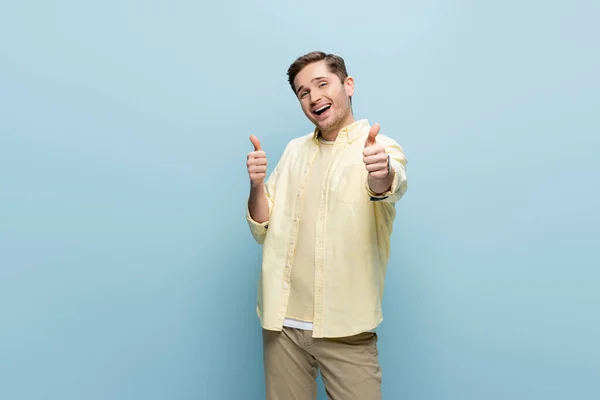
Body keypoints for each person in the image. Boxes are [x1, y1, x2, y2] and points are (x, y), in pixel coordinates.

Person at [245, 51, 408, 400]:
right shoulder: (293, 151)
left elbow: (388, 185)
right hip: (283, 325)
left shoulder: (380, 148)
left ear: (347, 85)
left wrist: (382, 172)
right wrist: (256, 185)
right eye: (303, 92)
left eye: (322, 84)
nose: (314, 96)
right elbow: (262, 226)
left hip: (346, 328)